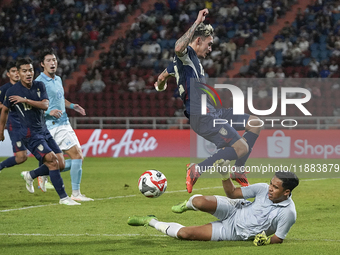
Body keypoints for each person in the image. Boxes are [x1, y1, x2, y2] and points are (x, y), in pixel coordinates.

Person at [154, 9, 262, 193]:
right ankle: (197, 169)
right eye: (209, 44)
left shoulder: (185, 62)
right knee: (242, 148)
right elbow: (178, 48)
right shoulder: (186, 54)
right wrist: (197, 21)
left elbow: (161, 78)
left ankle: (238, 170)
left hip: (212, 111)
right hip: (201, 114)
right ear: (198, 40)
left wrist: (161, 83)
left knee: (255, 123)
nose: (210, 49)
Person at [128, 170, 299, 245]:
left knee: (185, 234)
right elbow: (232, 193)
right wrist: (225, 176)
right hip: (236, 209)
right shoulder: (262, 188)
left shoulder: (288, 212)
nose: (270, 188)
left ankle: (151, 221)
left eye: (275, 187)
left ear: (286, 192)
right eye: (271, 184)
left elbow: (278, 238)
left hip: (234, 232)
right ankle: (188, 204)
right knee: (199, 202)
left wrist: (266, 241)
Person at [0, 58, 79, 205]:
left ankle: (31, 175)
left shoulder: (39, 85)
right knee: (53, 162)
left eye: (30, 70)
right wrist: (1, 130)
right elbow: (4, 110)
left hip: (44, 131)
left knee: (60, 163)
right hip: (30, 134)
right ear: (18, 73)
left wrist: (25, 101)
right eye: (24, 71)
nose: (28, 73)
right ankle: (64, 198)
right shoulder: (12, 91)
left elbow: (45, 105)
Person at [35, 48, 93, 201]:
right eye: (48, 60)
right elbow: (34, 105)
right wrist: (49, 112)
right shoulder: (39, 82)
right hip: (51, 125)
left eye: (54, 60)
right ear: (42, 64)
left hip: (63, 123)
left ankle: (42, 173)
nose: (52, 63)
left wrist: (73, 106)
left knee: (76, 158)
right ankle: (75, 194)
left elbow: (60, 100)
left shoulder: (58, 79)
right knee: (75, 157)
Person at [0, 61, 28, 171]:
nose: (16, 73)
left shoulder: (27, 86)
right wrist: (7, 105)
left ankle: (41, 177)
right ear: (8, 74)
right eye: (13, 71)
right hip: (15, 125)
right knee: (21, 157)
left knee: (44, 152)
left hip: (31, 124)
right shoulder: (4, 89)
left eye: (18, 71)